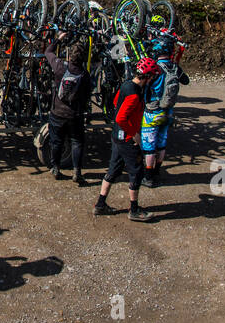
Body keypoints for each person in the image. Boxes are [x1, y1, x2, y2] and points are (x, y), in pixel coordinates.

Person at [94, 57, 157, 222]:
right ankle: (134, 210)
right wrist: (133, 134)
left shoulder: (126, 84)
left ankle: (100, 204)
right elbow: (121, 118)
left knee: (113, 170)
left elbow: (116, 102)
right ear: (148, 76)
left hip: (117, 136)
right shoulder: (135, 95)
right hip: (127, 139)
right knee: (136, 172)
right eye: (152, 77)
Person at [43, 32, 92, 185]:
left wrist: (58, 38)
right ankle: (77, 171)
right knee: (77, 142)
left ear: (70, 55)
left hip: (57, 112)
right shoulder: (84, 75)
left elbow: (48, 52)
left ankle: (55, 168)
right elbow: (88, 92)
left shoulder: (60, 67)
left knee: (56, 142)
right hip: (75, 114)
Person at [141, 36, 185, 187]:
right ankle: (157, 172)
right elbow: (185, 80)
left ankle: (148, 177)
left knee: (149, 146)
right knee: (161, 143)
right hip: (168, 111)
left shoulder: (155, 67)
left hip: (152, 111)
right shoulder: (174, 67)